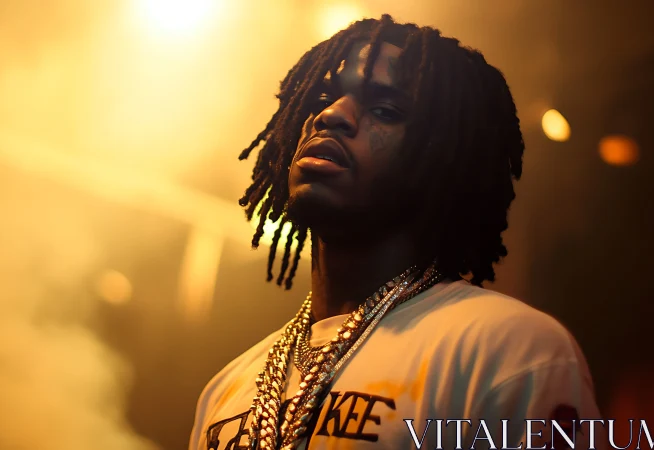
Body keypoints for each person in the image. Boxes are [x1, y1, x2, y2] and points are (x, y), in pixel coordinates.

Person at [190, 15, 600, 450]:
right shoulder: (226, 388)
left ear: (442, 158)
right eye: (321, 98)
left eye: (385, 110)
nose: (331, 115)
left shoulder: (513, 351)